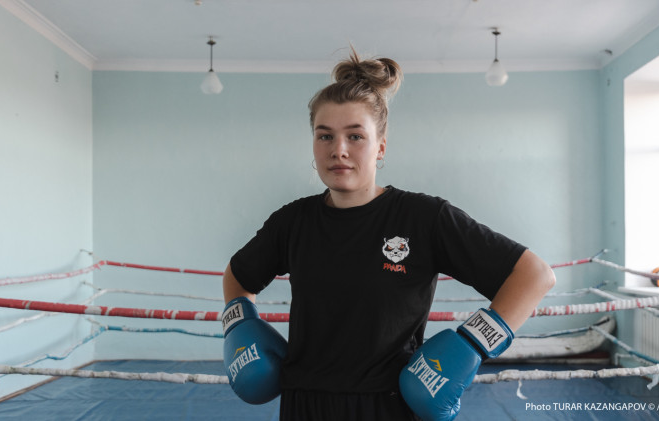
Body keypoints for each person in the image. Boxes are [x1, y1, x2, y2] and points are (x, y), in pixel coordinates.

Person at [221, 48, 556, 421]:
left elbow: (534, 275)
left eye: (355, 136)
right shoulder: (292, 222)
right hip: (304, 405)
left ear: (380, 146)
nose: (339, 150)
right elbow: (238, 277)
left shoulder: (423, 218)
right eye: (325, 136)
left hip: (389, 405)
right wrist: (240, 327)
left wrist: (473, 343)